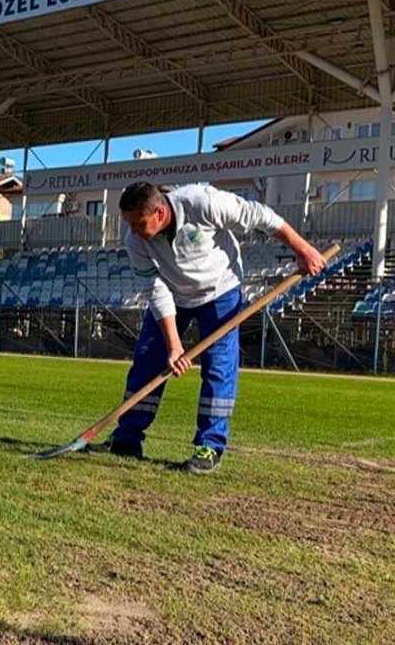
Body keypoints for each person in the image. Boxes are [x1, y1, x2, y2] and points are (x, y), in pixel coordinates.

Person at [94, 182, 325, 474]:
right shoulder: (135, 241)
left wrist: (302, 249)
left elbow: (261, 216)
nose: (135, 231)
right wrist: (174, 346)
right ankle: (127, 439)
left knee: (218, 367)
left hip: (220, 291)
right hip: (173, 294)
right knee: (147, 362)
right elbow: (155, 290)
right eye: (130, 224)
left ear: (160, 212)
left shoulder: (203, 203)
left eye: (140, 224)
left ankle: (209, 446)